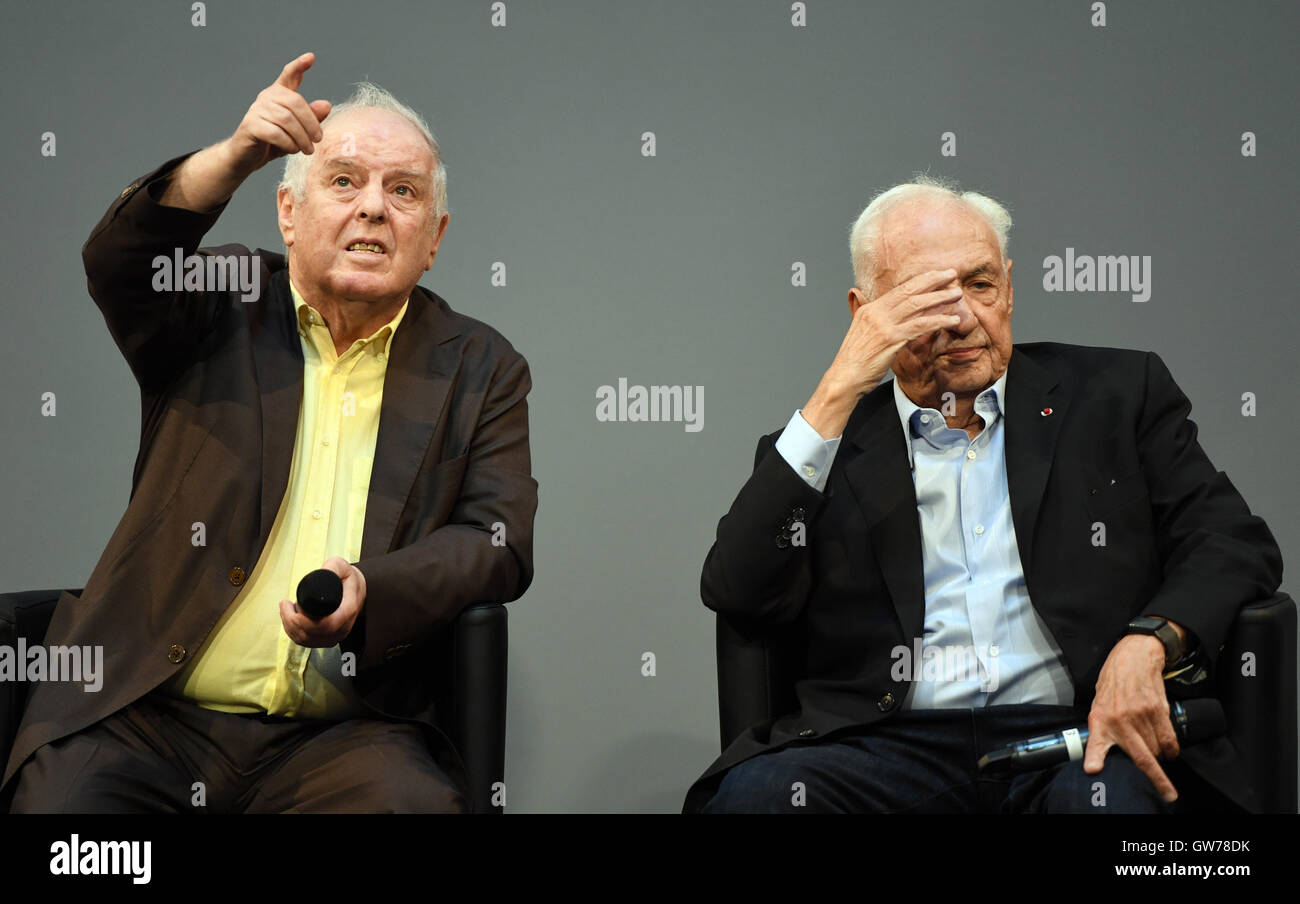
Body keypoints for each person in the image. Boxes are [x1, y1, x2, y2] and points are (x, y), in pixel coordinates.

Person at [3, 53, 537, 813]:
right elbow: (119, 264)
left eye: (404, 191)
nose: (374, 208)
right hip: (146, 719)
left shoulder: (480, 365)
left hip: (346, 735)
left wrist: (370, 591)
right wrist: (232, 158)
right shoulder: (223, 300)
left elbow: (497, 538)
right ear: (288, 212)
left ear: (435, 236)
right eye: (344, 180)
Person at [683, 176, 1282, 814]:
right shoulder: (822, 444)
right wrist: (837, 390)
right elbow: (737, 591)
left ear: (1009, 286)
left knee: (1104, 801)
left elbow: (1230, 542)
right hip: (885, 749)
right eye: (926, 297)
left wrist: (1149, 641)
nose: (962, 317)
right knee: (761, 799)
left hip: (1075, 734)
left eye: (978, 283)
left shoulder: (1115, 395)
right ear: (865, 313)